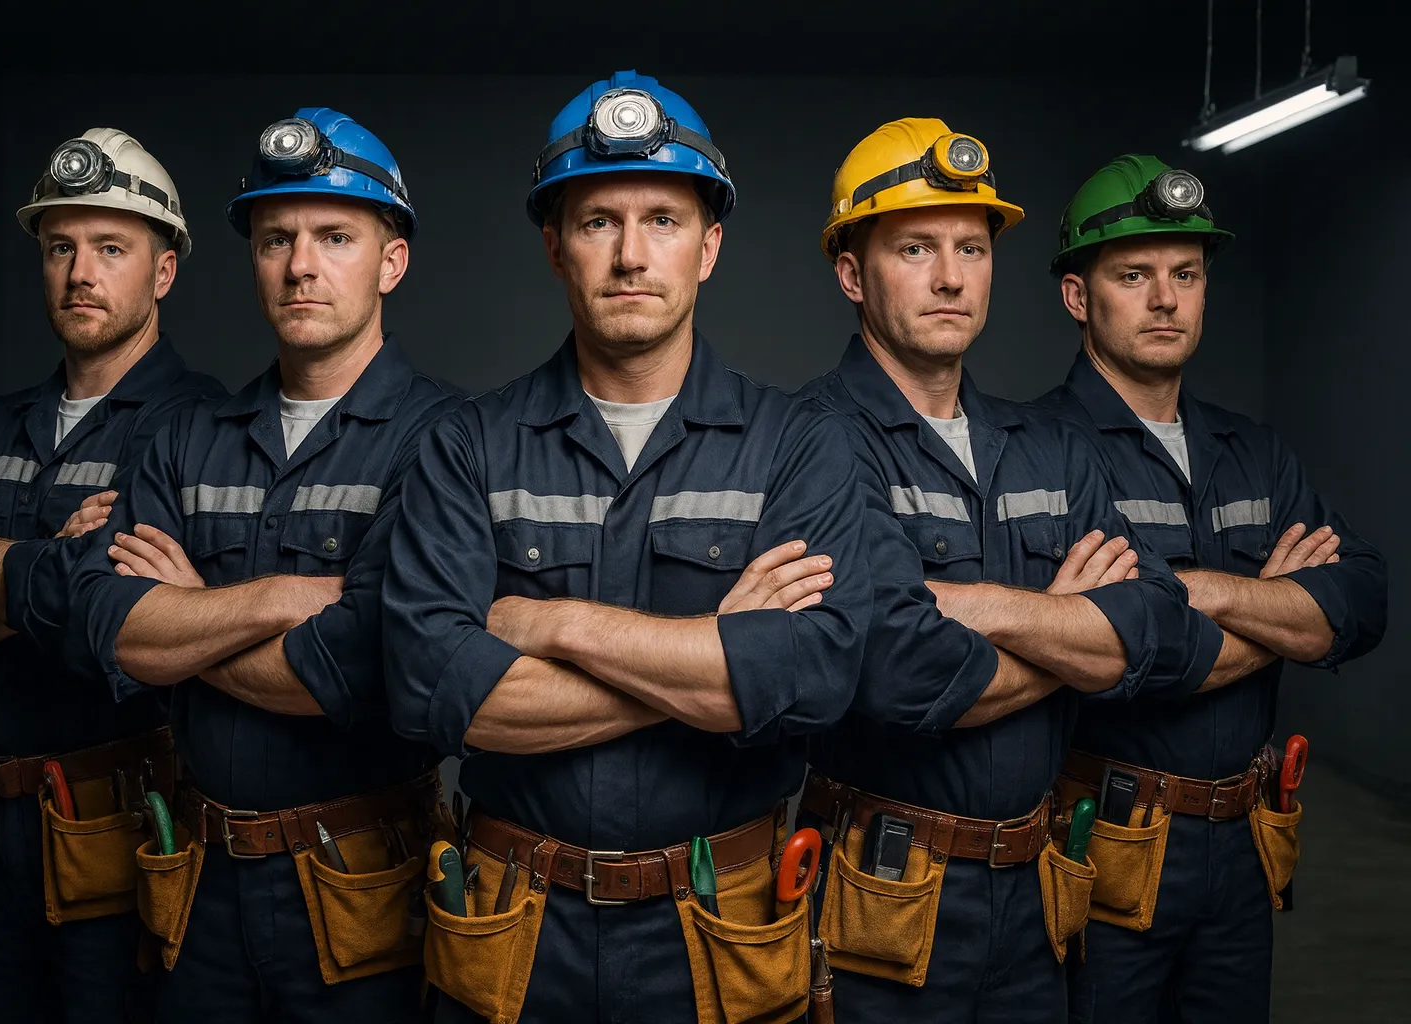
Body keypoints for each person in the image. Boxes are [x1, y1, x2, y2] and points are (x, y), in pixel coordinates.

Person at [382, 70, 869, 1024]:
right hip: (515, 924)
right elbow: (434, 689)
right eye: (599, 220)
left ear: (710, 247)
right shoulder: (466, 445)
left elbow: (810, 680)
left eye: (664, 219)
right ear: (557, 248)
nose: (632, 254)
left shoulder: (798, 444)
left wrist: (549, 623)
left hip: (725, 924)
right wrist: (710, 665)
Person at [799, 118, 1211, 1021]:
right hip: (880, 894)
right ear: (851, 274)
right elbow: (895, 672)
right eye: (916, 247)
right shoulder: (810, 442)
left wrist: (977, 605)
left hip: (1036, 898)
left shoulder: (1047, 447)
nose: (951, 277)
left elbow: (1160, 635)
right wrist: (1069, 628)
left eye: (972, 249)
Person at [61, 108, 460, 1022]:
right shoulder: (188, 435)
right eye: (276, 237)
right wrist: (282, 598)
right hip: (197, 883)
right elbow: (109, 632)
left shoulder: (445, 441)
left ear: (390, 261)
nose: (300, 265)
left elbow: (365, 668)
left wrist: (191, 613)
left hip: (363, 886)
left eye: (334, 236)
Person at [0, 127, 224, 1022]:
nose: (82, 273)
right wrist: (50, 569)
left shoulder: (201, 429)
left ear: (165, 271)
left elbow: (106, 615)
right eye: (61, 247)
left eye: (112, 248)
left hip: (126, 824)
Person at [1037, 154, 1389, 1023]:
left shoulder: (1254, 451)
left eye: (1185, 275)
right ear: (1080, 297)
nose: (1166, 299)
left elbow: (1359, 606)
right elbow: (1124, 660)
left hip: (1244, 845)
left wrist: (1204, 591)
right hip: (1107, 843)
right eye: (1134, 274)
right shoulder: (1038, 454)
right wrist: (1276, 605)